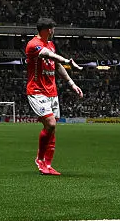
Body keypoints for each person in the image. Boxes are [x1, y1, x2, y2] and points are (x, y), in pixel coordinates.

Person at [25, 20, 83, 176]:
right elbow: (47, 54)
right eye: (53, 29)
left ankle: (48, 165)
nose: (54, 31)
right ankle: (40, 159)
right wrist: (67, 60)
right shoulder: (33, 44)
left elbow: (56, 65)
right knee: (50, 124)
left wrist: (72, 84)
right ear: (48, 30)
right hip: (37, 90)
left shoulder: (51, 44)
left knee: (52, 128)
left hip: (52, 92)